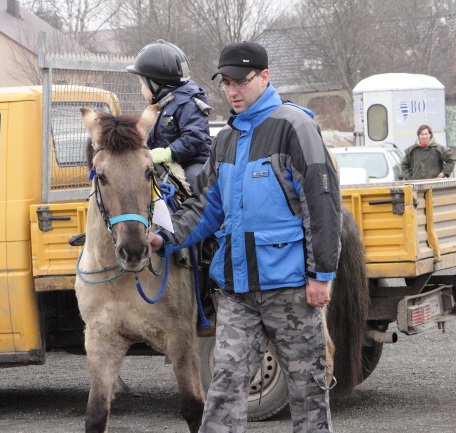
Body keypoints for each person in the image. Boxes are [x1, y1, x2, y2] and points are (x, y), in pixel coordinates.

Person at [148, 41, 341, 433]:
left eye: (241, 81)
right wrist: (166, 237)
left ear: (265, 77)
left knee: (308, 393)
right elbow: (207, 206)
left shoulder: (294, 127)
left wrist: (321, 276)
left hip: (290, 289)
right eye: (226, 83)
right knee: (223, 389)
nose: (233, 90)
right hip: (237, 292)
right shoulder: (226, 140)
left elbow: (322, 205)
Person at [127, 40, 211, 193]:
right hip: (167, 163)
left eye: (142, 84)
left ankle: (203, 216)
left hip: (192, 162)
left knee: (195, 180)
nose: (141, 89)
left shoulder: (189, 103)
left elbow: (195, 137)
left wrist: (168, 153)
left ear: (157, 84)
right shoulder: (161, 107)